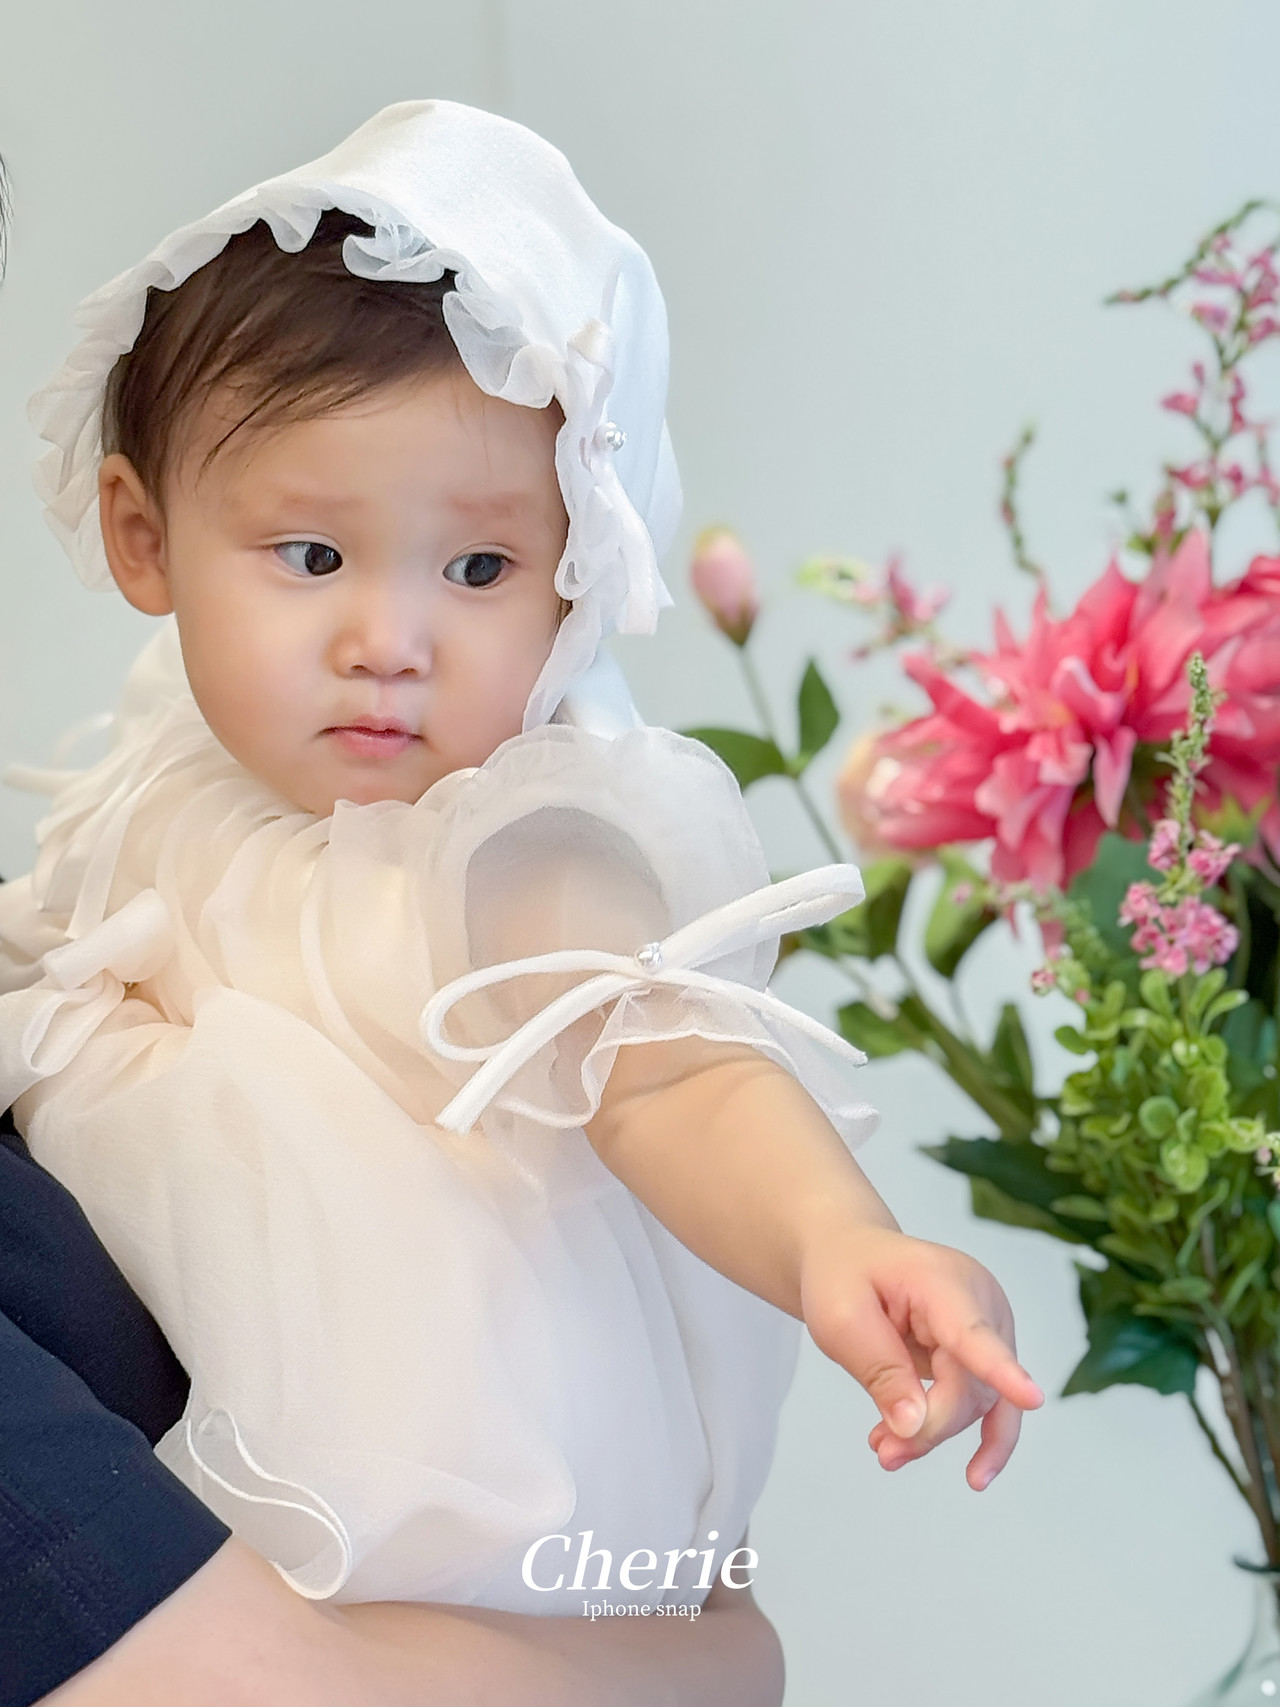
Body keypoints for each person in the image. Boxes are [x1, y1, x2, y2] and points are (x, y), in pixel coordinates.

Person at [0, 99, 1041, 1653]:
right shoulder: (170, 776)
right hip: (204, 1487)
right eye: (312, 557)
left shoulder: (519, 848)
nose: (389, 640)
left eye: (479, 569)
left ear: (578, 577)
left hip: (464, 1497)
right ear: (144, 538)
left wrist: (837, 1237)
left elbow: (673, 1071)